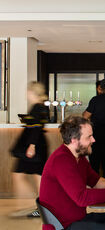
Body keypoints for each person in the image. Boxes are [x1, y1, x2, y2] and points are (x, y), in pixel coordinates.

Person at [39, 116, 105, 230]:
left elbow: (96, 181)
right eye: (89, 137)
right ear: (74, 140)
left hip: (77, 220)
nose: (93, 140)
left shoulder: (79, 158)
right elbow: (82, 198)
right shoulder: (61, 160)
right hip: (64, 228)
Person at [10, 82, 49, 217]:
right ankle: (39, 207)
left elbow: (36, 127)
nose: (26, 93)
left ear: (33, 92)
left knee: (19, 175)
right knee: (37, 177)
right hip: (37, 146)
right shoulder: (39, 107)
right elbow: (36, 124)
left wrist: (31, 146)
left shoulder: (37, 107)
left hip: (33, 147)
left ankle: (32, 206)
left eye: (28, 91)